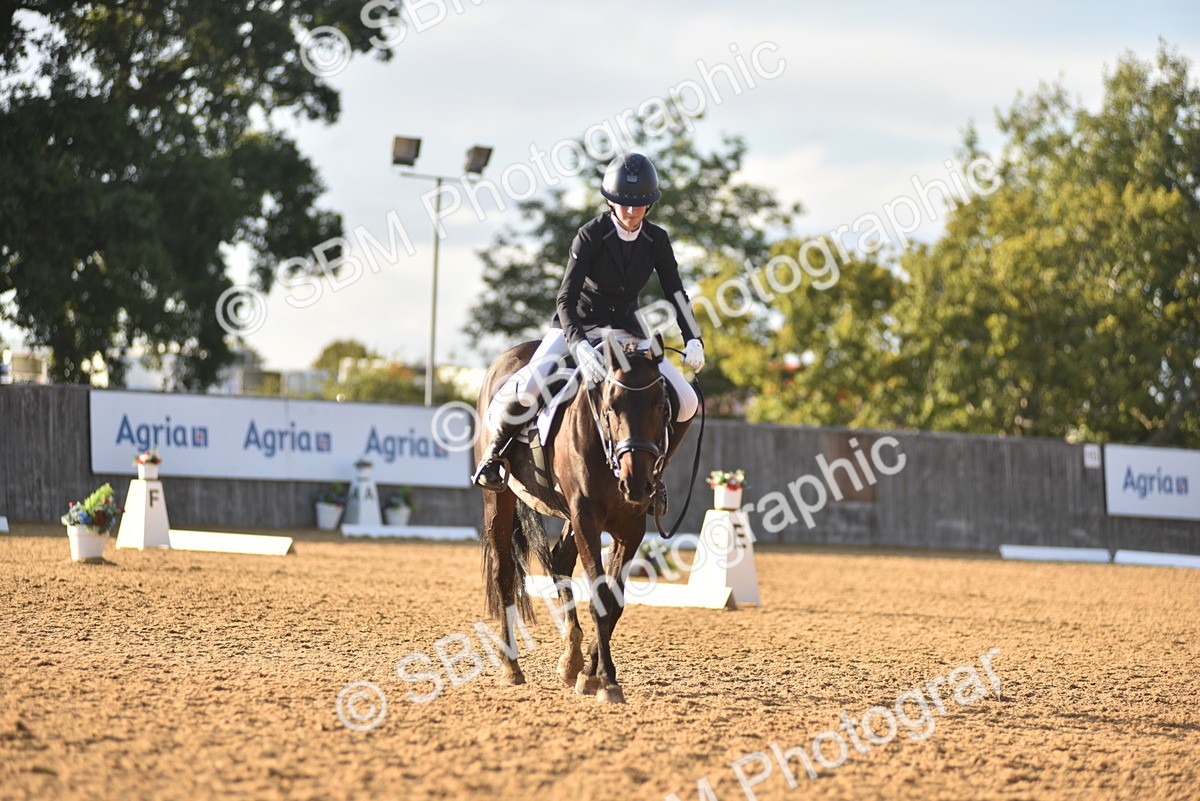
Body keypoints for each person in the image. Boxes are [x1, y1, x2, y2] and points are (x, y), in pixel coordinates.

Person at [473, 152, 705, 491]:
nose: (631, 211)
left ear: (649, 206)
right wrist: (579, 344)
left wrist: (693, 338)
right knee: (533, 381)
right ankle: (493, 456)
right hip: (576, 327)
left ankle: (651, 473)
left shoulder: (657, 240)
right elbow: (565, 298)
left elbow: (676, 293)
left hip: (627, 331)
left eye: (638, 205)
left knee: (687, 400)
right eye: (623, 204)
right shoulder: (591, 235)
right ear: (611, 202)